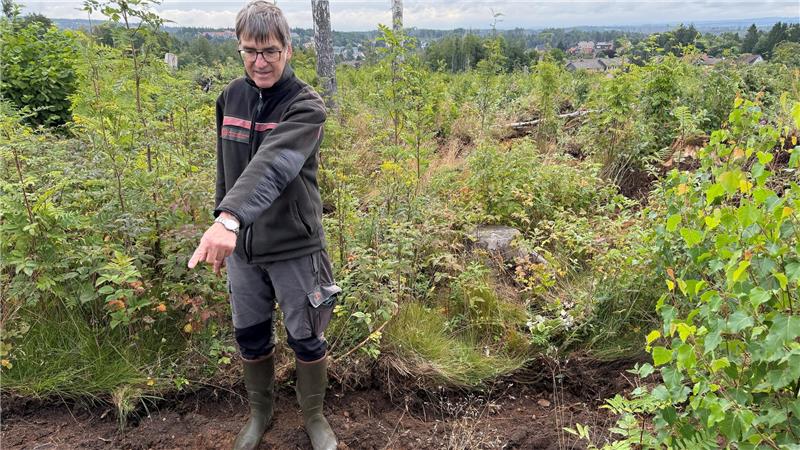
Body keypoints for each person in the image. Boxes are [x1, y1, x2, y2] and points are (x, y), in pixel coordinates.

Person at [187, 2, 339, 449]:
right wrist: (221, 226)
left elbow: (273, 165)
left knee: (307, 336)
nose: (260, 61)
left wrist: (228, 220)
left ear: (288, 49)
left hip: (294, 246)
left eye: (270, 50)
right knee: (250, 334)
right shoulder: (230, 97)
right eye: (250, 51)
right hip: (243, 250)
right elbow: (227, 170)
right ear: (239, 49)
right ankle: (261, 414)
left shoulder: (306, 106)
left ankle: (314, 419)